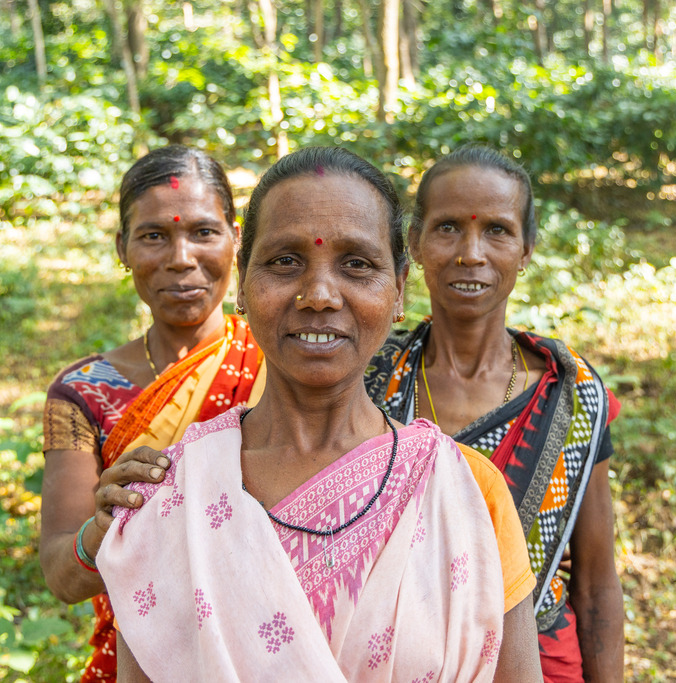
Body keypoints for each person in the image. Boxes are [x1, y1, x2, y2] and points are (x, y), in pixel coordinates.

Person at [97, 147, 544, 682]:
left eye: (357, 264)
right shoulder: (170, 498)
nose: (319, 294)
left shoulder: (467, 492)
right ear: (243, 282)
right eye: (285, 261)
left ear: (399, 289)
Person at [364, 145, 625, 682]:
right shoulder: (367, 381)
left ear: (526, 249)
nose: (470, 253)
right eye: (448, 228)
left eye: (498, 231)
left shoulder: (572, 398)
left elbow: (596, 585)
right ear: (413, 243)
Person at [39, 145, 265, 682]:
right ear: (123, 248)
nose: (181, 258)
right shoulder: (83, 393)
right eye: (154, 236)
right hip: (140, 658)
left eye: (204, 232)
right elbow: (62, 576)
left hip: (271, 644)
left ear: (236, 240)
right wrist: (106, 528)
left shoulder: (282, 364)